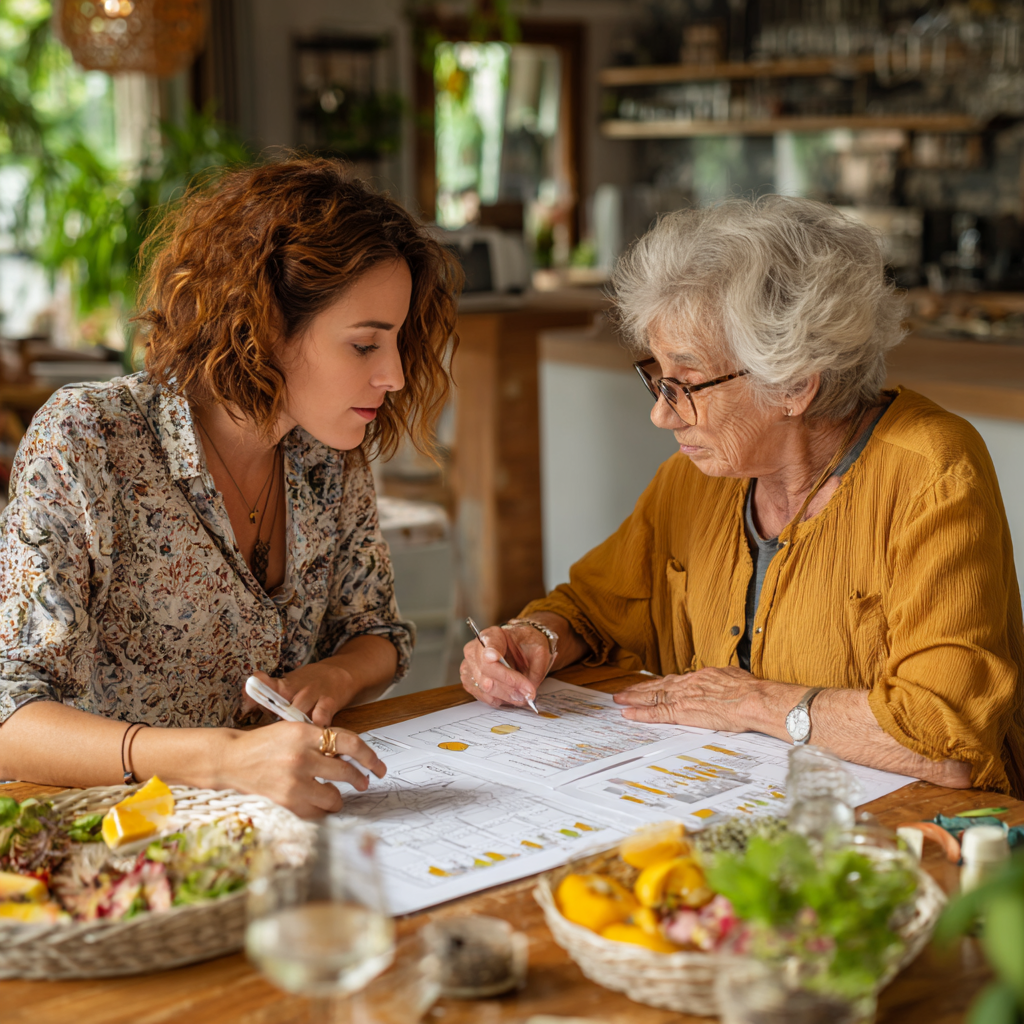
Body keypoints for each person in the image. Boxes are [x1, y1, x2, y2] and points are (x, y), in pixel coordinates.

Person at [461, 195, 1024, 796]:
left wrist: (754, 702)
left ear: (794, 384)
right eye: (655, 376)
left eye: (684, 383)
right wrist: (533, 638)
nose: (660, 413)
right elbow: (591, 609)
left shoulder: (930, 472)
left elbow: (947, 747)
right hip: (737, 813)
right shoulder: (695, 481)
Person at [0, 157, 461, 818]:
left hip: (280, 821)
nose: (393, 374)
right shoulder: (88, 441)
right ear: (264, 328)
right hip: (118, 840)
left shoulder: (328, 454)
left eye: (396, 343)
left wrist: (336, 673)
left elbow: (379, 634)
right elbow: (10, 719)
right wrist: (223, 760)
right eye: (365, 346)